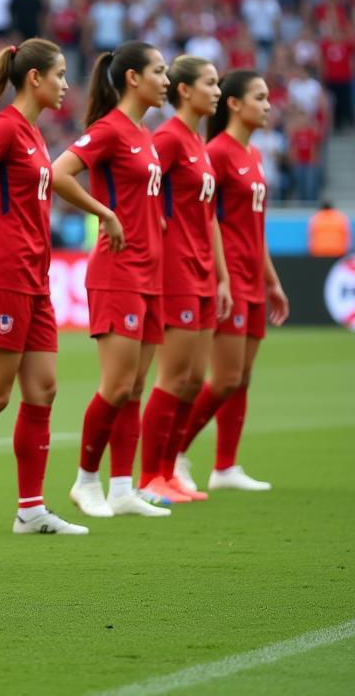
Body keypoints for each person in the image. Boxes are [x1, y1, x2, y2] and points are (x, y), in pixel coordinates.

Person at [0, 39, 89, 537]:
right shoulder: (2, 128)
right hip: (4, 277)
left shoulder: (32, 134)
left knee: (43, 388)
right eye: (61, 74)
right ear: (35, 79)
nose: (66, 84)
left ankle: (31, 509)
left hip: (36, 279)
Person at [51, 41, 172, 519]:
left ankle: (123, 488)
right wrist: (106, 213)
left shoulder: (144, 132)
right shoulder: (110, 130)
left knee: (136, 386)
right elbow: (59, 172)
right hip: (117, 272)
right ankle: (85, 481)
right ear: (133, 79)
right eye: (159, 71)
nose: (166, 80)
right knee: (116, 385)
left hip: (150, 274)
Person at [177, 71, 290, 492]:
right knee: (223, 377)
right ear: (235, 105)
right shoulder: (217, 153)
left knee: (241, 377)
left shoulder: (254, 156)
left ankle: (225, 466)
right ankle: (174, 454)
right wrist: (223, 274)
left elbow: (254, 229)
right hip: (227, 278)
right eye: (259, 97)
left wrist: (272, 281)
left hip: (253, 278)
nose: (268, 105)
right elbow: (208, 219)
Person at [138, 56, 232, 505]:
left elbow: (210, 217)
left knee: (194, 380)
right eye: (209, 84)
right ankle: (150, 474)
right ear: (184, 91)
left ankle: (169, 467)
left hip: (202, 271)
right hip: (174, 269)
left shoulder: (198, 142)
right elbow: (143, 190)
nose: (216, 91)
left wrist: (222, 276)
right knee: (173, 377)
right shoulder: (169, 139)